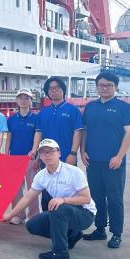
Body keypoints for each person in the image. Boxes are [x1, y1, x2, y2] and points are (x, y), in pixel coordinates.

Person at [3, 139, 96, 259]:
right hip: (63, 211)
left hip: (84, 214)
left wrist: (63, 200)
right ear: (40, 156)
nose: (47, 155)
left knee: (57, 209)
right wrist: (11, 214)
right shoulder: (41, 175)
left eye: (51, 151)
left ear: (59, 153)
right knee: (32, 225)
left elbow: (86, 198)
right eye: (43, 152)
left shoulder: (73, 172)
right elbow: (27, 197)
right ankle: (71, 235)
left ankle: (60, 251)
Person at [81, 72, 130, 248]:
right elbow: (85, 130)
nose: (105, 88)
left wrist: (119, 156)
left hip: (114, 162)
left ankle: (117, 234)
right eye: (101, 85)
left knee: (114, 198)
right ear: (97, 87)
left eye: (109, 85)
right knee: (96, 197)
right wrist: (83, 151)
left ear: (116, 87)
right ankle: (99, 229)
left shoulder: (123, 107)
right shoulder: (90, 107)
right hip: (93, 161)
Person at [37, 77, 83, 211]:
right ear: (47, 92)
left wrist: (73, 153)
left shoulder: (72, 110)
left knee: (69, 191)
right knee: (47, 192)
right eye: (51, 88)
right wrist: (37, 154)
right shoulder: (43, 112)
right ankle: (48, 223)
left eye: (57, 87)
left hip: (66, 157)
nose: (54, 90)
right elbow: (39, 134)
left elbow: (78, 132)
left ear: (63, 90)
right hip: (46, 158)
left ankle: (69, 227)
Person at [5, 88, 42, 224]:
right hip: (14, 158)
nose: (23, 100)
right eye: (21, 98)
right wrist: (6, 154)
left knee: (33, 187)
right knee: (15, 188)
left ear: (31, 101)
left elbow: (38, 135)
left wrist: (34, 151)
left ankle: (33, 216)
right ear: (17, 101)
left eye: (26, 98)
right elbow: (8, 138)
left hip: (30, 158)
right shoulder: (11, 119)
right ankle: (18, 214)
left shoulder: (36, 118)